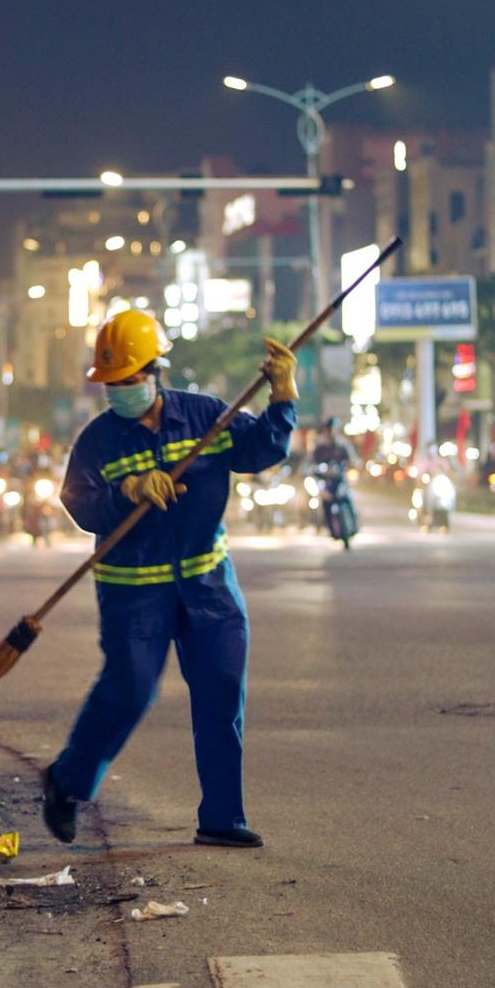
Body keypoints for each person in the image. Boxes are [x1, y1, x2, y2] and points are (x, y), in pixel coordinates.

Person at [41, 309, 297, 848]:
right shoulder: (97, 442)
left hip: (207, 584)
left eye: (131, 378)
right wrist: (128, 489)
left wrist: (282, 395)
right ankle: (66, 781)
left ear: (156, 370)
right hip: (134, 593)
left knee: (221, 692)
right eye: (112, 382)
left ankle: (222, 818)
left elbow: (260, 450)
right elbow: (78, 504)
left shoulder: (206, 417)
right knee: (129, 690)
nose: (121, 390)